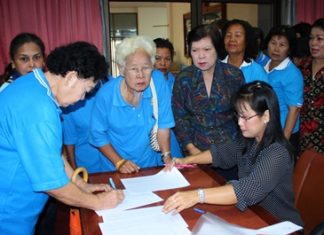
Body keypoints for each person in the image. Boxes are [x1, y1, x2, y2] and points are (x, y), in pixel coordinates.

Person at [0, 41, 124, 234]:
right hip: (8, 214)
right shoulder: (39, 109)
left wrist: (80, 185)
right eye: (85, 90)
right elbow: (54, 185)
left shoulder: (33, 85)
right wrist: (98, 202)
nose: (83, 98)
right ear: (71, 78)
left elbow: (51, 154)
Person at [164, 81, 304, 228]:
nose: (239, 122)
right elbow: (220, 153)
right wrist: (185, 160)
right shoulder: (249, 140)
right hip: (253, 215)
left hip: (277, 224)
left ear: (266, 116)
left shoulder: (277, 152)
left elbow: (249, 189)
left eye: (245, 117)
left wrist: (196, 196)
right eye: (238, 116)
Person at [89, 36, 174, 174]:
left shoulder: (157, 81)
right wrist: (119, 161)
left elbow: (163, 124)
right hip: (115, 166)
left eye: (146, 68)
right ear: (121, 69)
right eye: (134, 69)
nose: (141, 75)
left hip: (148, 165)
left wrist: (166, 156)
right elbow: (97, 134)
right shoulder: (106, 95)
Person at [172, 24, 245, 180]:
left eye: (207, 50)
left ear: (217, 49)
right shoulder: (184, 78)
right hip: (194, 152)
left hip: (228, 153)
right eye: (195, 50)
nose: (201, 56)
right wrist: (191, 149)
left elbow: (242, 114)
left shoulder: (233, 75)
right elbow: (179, 117)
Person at [263, 25, 304, 155]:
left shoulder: (293, 73)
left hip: (284, 132)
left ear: (289, 49)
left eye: (282, 45)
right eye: (273, 43)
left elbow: (294, 109)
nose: (276, 48)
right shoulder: (262, 66)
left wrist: (283, 141)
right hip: (265, 129)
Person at [61, 77, 115, 173]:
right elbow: (69, 140)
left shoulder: (114, 86)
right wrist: (75, 173)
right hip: (88, 166)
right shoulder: (72, 98)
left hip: (116, 162)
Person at [153, 38, 183, 158]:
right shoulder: (143, 84)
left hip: (173, 139)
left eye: (167, 59)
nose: (163, 63)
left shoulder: (178, 83)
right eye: (157, 58)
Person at [299, 18, 324, 154]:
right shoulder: (302, 66)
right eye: (311, 38)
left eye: (319, 39)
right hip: (302, 139)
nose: (313, 43)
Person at [221, 19, 268, 83]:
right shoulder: (216, 67)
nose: (232, 39)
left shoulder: (257, 71)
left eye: (237, 35)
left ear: (247, 40)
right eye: (228, 35)